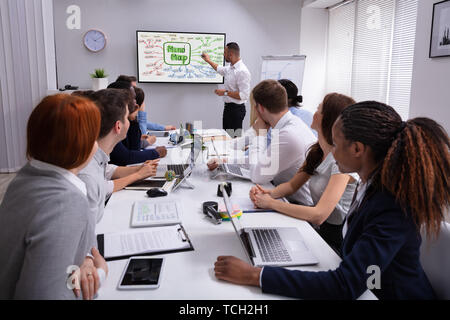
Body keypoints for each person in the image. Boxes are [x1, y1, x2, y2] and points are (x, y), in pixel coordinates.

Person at [213, 101, 450, 300]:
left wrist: (255, 275)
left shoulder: (392, 206)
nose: (332, 151)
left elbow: (346, 285)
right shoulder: (371, 183)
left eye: (335, 144)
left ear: (357, 149)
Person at [0, 94, 108, 300]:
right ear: (81, 144)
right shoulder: (66, 202)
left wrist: (85, 258)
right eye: (93, 137)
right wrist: (100, 275)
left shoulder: (25, 178)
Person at [249, 93, 357, 252]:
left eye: (319, 110)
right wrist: (267, 193)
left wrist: (271, 203)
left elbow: (319, 215)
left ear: (330, 120)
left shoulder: (341, 163)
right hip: (321, 231)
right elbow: (292, 186)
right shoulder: (317, 151)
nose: (314, 113)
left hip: (337, 239)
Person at [209, 80, 316, 205]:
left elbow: (257, 175)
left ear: (259, 108)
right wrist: (225, 162)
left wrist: (260, 135)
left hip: (296, 205)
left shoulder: (288, 134)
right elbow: (263, 161)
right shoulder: (287, 124)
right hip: (282, 195)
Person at [78, 89, 159, 223]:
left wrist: (139, 169)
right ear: (118, 126)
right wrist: (137, 174)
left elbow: (108, 170)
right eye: (127, 118)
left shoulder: (97, 157)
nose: (130, 122)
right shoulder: (88, 173)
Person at [108, 83, 167, 166]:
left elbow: (135, 149)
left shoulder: (125, 122)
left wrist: (133, 120)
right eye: (133, 98)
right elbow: (125, 157)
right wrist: (155, 153)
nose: (136, 103)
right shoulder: (111, 125)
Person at [201, 42, 251, 135]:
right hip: (228, 108)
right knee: (226, 137)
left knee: (234, 140)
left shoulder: (242, 71)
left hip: (236, 110)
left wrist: (225, 93)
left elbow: (244, 95)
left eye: (225, 52)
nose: (223, 55)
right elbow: (219, 69)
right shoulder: (230, 68)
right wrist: (208, 60)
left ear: (230, 54)